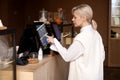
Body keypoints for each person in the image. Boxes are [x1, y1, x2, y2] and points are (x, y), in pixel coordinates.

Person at [47, 4, 105, 80]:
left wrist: (54, 41)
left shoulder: (82, 37)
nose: (72, 19)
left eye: (75, 17)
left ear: (84, 18)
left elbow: (67, 56)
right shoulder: (96, 33)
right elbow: (102, 57)